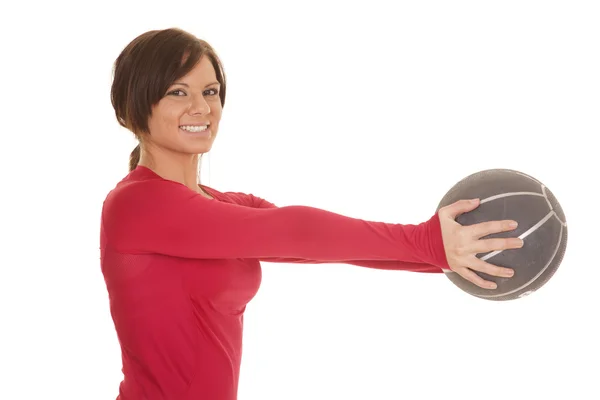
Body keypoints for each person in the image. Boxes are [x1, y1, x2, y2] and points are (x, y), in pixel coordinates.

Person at [100, 27, 522, 400]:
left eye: (210, 91)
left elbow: (314, 246)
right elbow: (294, 231)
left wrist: (444, 257)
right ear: (132, 108)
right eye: (178, 91)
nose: (202, 107)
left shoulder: (224, 206)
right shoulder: (136, 205)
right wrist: (427, 242)